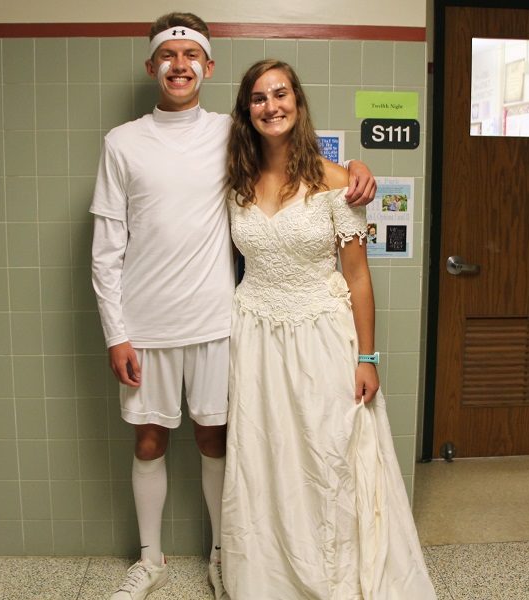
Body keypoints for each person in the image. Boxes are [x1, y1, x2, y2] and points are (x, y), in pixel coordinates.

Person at [90, 14, 377, 600]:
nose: (178, 64)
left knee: (217, 440)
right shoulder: (122, 142)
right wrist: (116, 333)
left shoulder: (232, 133)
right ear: (152, 67)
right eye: (166, 55)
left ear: (208, 67)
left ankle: (226, 555)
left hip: (221, 321)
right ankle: (150, 560)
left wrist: (357, 170)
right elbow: (105, 251)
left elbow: (290, 146)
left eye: (189, 54)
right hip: (145, 325)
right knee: (149, 440)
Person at [220, 59, 437, 599]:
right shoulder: (235, 182)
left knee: (326, 454)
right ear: (247, 110)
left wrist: (369, 357)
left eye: (281, 93)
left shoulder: (339, 182)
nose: (271, 105)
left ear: (297, 102)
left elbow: (358, 277)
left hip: (320, 335)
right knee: (265, 456)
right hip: (255, 335)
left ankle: (332, 574)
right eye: (259, 98)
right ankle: (269, 575)